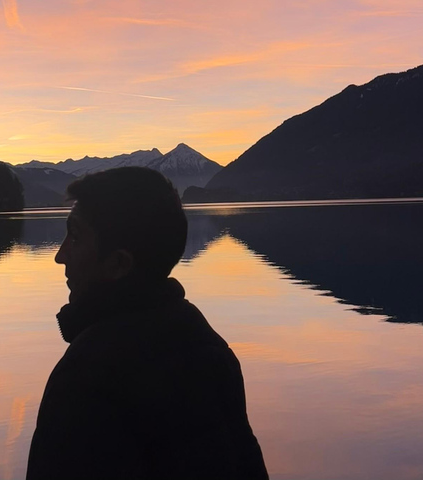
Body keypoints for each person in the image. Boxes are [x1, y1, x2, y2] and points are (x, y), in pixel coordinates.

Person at [26, 167, 269, 480]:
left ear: (118, 264)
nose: (60, 255)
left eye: (75, 237)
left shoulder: (88, 374)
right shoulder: (210, 349)